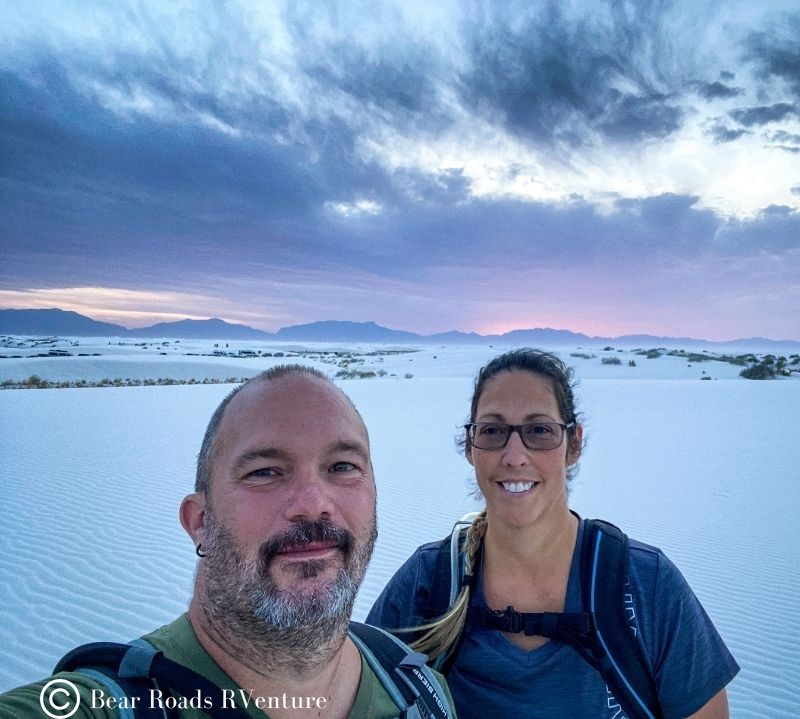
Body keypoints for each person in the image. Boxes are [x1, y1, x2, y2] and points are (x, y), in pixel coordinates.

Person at [0, 365, 456, 719]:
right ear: (200, 521)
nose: (313, 503)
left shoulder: (421, 692)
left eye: (342, 466)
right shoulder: (106, 704)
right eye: (264, 472)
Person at [367, 349, 739, 719]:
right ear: (470, 447)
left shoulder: (646, 586)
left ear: (573, 444)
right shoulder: (427, 584)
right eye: (493, 431)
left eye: (539, 431)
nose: (514, 455)